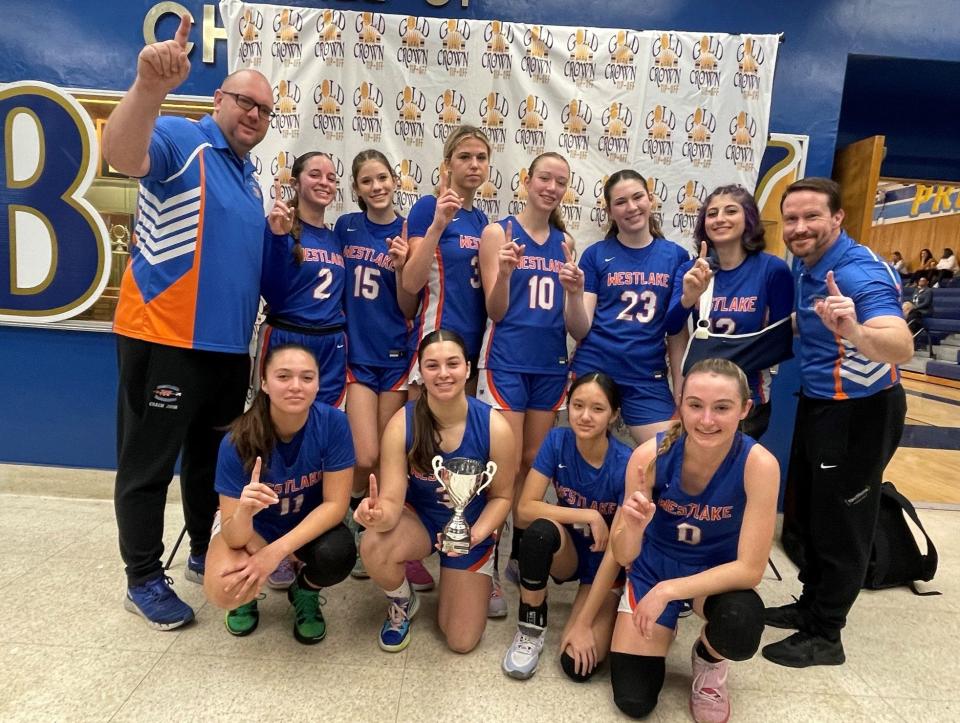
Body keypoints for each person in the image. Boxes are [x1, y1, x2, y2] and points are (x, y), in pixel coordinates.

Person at [103, 13, 274, 629]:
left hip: (227, 353)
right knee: (148, 465)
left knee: (209, 463)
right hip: (163, 340)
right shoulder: (181, 138)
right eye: (245, 102)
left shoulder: (251, 181)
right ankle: (143, 577)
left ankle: (205, 549)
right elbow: (122, 153)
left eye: (265, 110)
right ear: (219, 100)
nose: (254, 115)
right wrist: (149, 86)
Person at [765, 178, 912, 668]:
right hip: (821, 403)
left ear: (837, 218)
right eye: (791, 219)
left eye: (812, 217)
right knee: (811, 513)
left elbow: (901, 345)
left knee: (843, 522)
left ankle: (827, 634)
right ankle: (812, 606)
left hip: (859, 413)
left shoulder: (856, 274)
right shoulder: (810, 266)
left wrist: (855, 330)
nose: (799, 228)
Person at [608, 358, 779, 721]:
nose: (706, 420)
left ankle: (708, 657)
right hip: (652, 569)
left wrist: (670, 591)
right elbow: (623, 554)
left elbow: (750, 570)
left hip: (710, 576)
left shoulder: (759, 465)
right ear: (680, 404)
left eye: (722, 408)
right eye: (695, 405)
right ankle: (654, 626)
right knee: (634, 700)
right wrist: (633, 527)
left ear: (745, 409)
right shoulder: (648, 457)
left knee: (741, 621)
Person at [354, 330, 515, 653]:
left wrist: (475, 535)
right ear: (420, 371)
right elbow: (392, 499)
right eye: (432, 366)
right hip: (421, 521)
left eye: (452, 364)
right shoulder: (403, 423)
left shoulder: (495, 426)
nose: (443, 374)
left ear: (468, 368)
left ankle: (475, 572)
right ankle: (402, 599)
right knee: (373, 544)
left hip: (469, 527)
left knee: (461, 641)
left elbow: (502, 498)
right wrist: (375, 514)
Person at [203, 344, 356, 643]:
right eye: (283, 376)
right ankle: (247, 597)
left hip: (302, 527)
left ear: (318, 384)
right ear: (264, 383)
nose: (296, 386)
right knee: (224, 590)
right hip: (251, 532)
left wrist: (276, 554)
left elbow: (336, 506)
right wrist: (245, 512)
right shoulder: (238, 440)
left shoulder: (333, 423)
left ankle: (304, 590)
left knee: (338, 554)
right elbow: (234, 536)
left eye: (306, 377)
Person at [477, 152, 576, 597]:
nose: (551, 187)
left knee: (534, 461)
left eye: (560, 181)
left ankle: (520, 553)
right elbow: (493, 311)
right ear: (526, 180)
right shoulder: (499, 232)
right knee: (505, 462)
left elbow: (571, 315)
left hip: (551, 363)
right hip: (508, 359)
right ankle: (489, 565)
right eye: (544, 178)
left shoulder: (566, 242)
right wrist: (506, 274)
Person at [501, 372, 631, 681]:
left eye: (598, 409)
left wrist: (584, 623)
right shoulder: (558, 440)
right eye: (578, 405)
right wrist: (589, 516)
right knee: (538, 531)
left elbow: (618, 549)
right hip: (569, 553)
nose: (585, 416)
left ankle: (605, 614)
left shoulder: (627, 463)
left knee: (576, 665)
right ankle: (531, 627)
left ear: (614, 415)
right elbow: (525, 506)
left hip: (607, 565)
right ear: (568, 407)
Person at [335, 150, 419, 581]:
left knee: (391, 456)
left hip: (396, 356)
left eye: (382, 178)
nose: (376, 187)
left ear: (395, 180)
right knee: (364, 453)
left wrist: (404, 267)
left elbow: (408, 305)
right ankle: (353, 515)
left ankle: (389, 536)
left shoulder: (409, 231)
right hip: (356, 354)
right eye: (366, 181)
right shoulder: (346, 226)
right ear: (356, 188)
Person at [564, 169, 690, 445]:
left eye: (637, 197)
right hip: (595, 369)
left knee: (669, 454)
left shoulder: (676, 256)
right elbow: (579, 329)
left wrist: (681, 387)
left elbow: (677, 331)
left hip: (646, 377)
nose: (631, 207)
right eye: (621, 202)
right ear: (610, 211)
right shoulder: (596, 254)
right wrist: (573, 294)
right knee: (587, 458)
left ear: (651, 199)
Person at [664, 184, 794, 439]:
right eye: (712, 214)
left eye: (730, 211)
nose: (720, 219)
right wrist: (689, 297)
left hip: (748, 399)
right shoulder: (691, 269)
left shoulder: (773, 270)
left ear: (748, 218)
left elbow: (779, 338)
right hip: (700, 396)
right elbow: (671, 326)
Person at [402, 126, 492, 393]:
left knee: (463, 432)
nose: (474, 165)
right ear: (448, 164)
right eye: (464, 157)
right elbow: (410, 282)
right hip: (437, 332)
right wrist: (438, 225)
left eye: (481, 157)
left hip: (473, 339)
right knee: (423, 431)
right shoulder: (429, 207)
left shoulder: (480, 219)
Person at [261, 152, 347, 408]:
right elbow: (271, 293)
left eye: (331, 178)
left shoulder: (335, 238)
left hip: (331, 342)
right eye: (315, 175)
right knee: (276, 422)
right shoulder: (279, 226)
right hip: (288, 334)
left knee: (326, 422)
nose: (324, 182)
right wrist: (278, 239)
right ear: (295, 183)